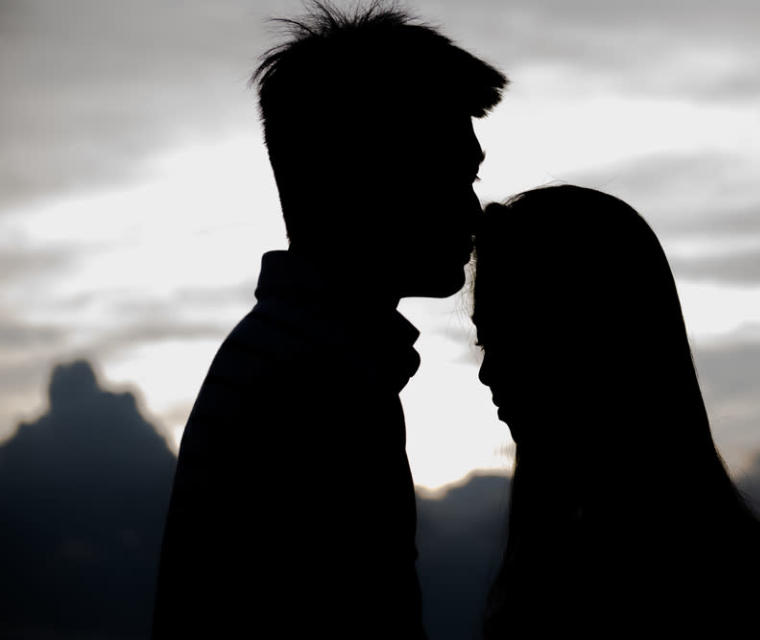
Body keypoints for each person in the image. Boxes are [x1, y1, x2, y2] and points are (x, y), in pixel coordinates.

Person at [152, 5, 507, 638]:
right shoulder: (319, 388)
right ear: (372, 176)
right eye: (454, 176)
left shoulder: (300, 360)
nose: (474, 211)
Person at [471, 185, 760, 639]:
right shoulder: (709, 557)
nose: (487, 372)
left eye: (513, 338)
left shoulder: (672, 569)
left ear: (592, 335)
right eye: (485, 342)